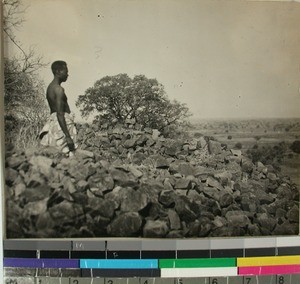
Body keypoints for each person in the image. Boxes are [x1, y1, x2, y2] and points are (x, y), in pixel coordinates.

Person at [39, 61, 77, 155]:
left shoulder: (50, 88)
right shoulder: (58, 89)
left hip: (55, 123)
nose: (67, 74)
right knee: (68, 155)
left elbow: (54, 112)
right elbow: (60, 113)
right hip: (62, 124)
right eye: (66, 71)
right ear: (58, 71)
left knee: (57, 155)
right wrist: (67, 136)